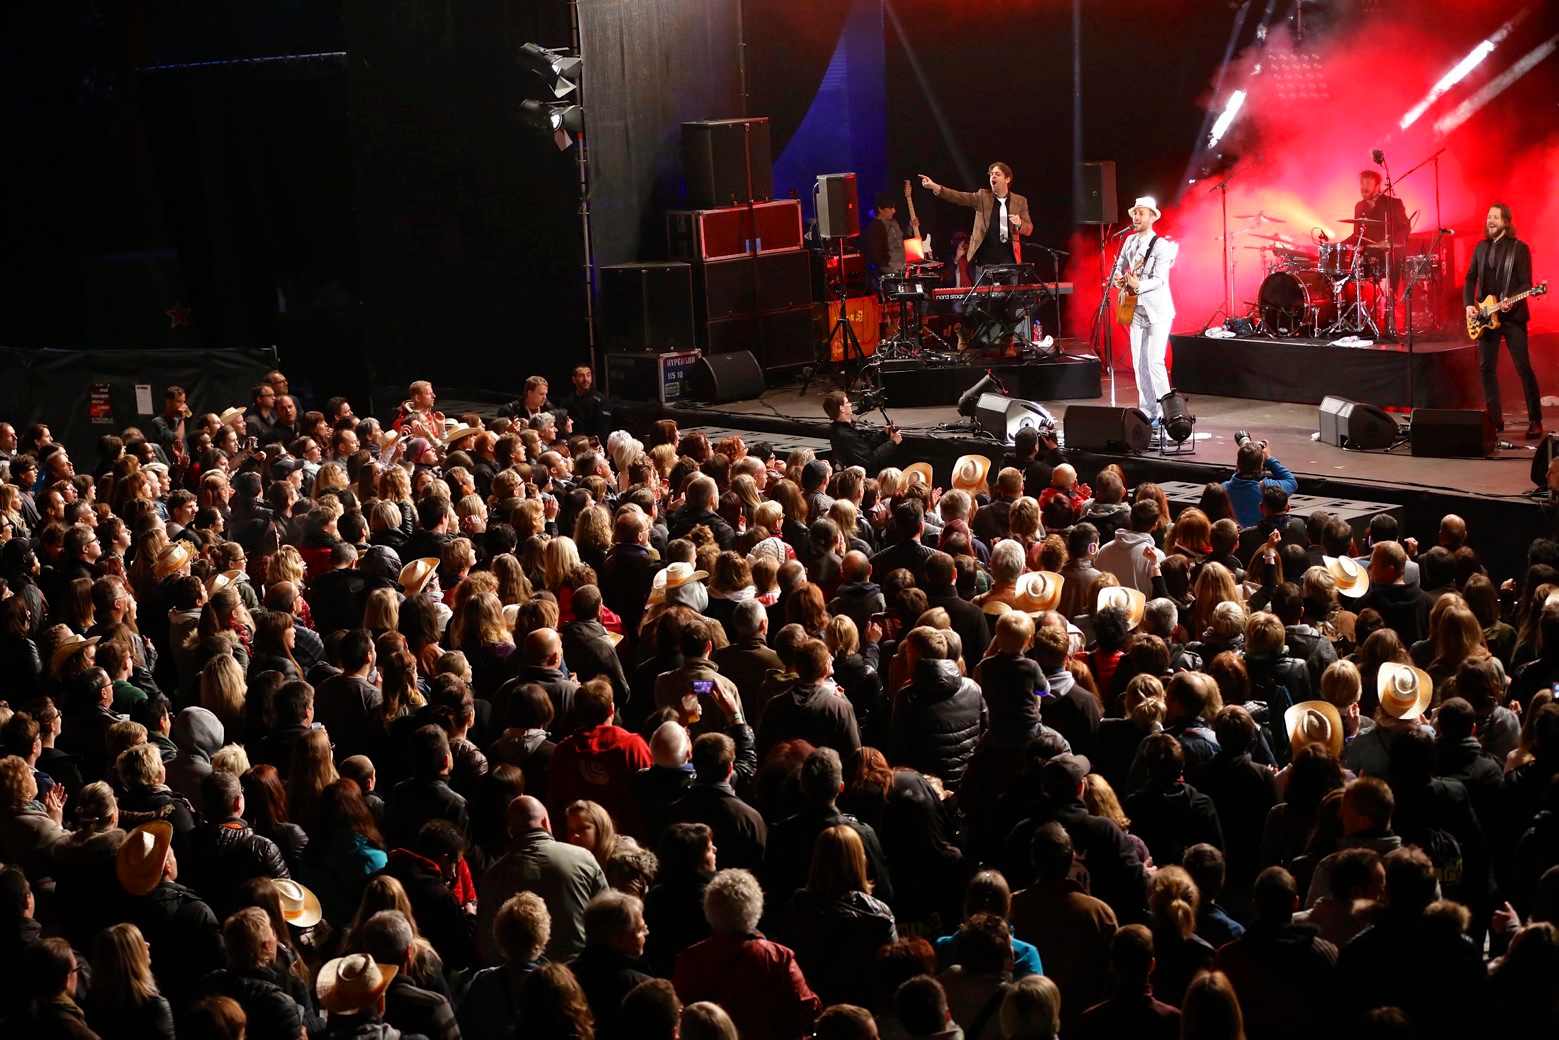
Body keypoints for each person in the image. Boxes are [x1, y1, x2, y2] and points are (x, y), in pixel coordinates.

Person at [672, 868, 822, 1040]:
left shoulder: (689, 959)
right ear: (756, 907)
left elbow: (679, 1012)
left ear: (710, 909)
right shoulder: (779, 957)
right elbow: (809, 1008)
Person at [1463, 201, 1542, 437]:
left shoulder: (1519, 248)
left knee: (1523, 367)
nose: (1490, 220)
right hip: (1485, 316)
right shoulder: (1480, 248)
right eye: (1488, 216)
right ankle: (1495, 420)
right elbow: (1470, 278)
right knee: (1487, 368)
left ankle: (1535, 420)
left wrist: (1513, 301)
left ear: (1506, 222)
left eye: (1495, 217)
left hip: (1512, 317)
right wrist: (1469, 304)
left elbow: (1526, 283)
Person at [1111, 197, 1178, 428]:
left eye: (1141, 213)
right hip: (1135, 308)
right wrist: (1118, 280)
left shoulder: (1161, 245)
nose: (1136, 217)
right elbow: (1118, 267)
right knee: (1139, 362)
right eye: (1134, 213)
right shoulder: (1129, 241)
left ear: (1152, 217)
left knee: (1155, 361)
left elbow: (1160, 280)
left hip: (1158, 310)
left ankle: (1167, 412)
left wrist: (1139, 285)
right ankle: (1147, 411)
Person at [919, 163, 1032, 271]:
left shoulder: (1020, 201)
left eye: (997, 174)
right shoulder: (982, 197)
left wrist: (1020, 223)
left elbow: (1029, 229)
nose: (993, 176)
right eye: (991, 174)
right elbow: (958, 197)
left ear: (1007, 179)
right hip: (985, 260)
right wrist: (935, 186)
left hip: (1009, 260)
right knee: (983, 291)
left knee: (1011, 291)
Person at [1220, 437, 1298, 529]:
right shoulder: (1267, 489)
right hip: (1261, 540)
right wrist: (1269, 459)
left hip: (1233, 540)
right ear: (1261, 466)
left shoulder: (1222, 490)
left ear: (1237, 463)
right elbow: (1291, 482)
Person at [823, 391, 901, 471]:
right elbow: (871, 460)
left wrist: (883, 435)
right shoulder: (845, 435)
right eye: (847, 402)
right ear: (841, 408)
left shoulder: (839, 429)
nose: (850, 404)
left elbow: (864, 446)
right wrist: (892, 443)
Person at [862, 191, 910, 286]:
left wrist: (911, 228)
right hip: (891, 271)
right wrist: (885, 268)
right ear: (880, 209)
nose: (894, 211)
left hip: (904, 267)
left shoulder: (894, 221)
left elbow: (901, 240)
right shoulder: (875, 227)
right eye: (890, 208)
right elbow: (875, 253)